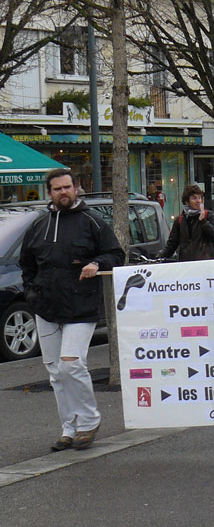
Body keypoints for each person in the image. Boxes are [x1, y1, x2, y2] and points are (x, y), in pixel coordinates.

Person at [19, 168, 122, 451]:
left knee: (71, 364)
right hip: (46, 307)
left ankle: (89, 421)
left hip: (81, 306)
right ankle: (69, 427)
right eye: (57, 189)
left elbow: (115, 253)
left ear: (76, 188)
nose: (63, 192)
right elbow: (26, 263)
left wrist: (97, 264)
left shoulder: (92, 221)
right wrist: (32, 293)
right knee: (55, 372)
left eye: (67, 187)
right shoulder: (39, 225)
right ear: (49, 193)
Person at [159, 184, 214, 261]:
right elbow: (172, 245)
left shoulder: (208, 215)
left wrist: (203, 222)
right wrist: (159, 258)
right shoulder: (180, 220)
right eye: (194, 198)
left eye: (199, 198)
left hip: (205, 264)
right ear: (187, 202)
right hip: (186, 265)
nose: (198, 201)